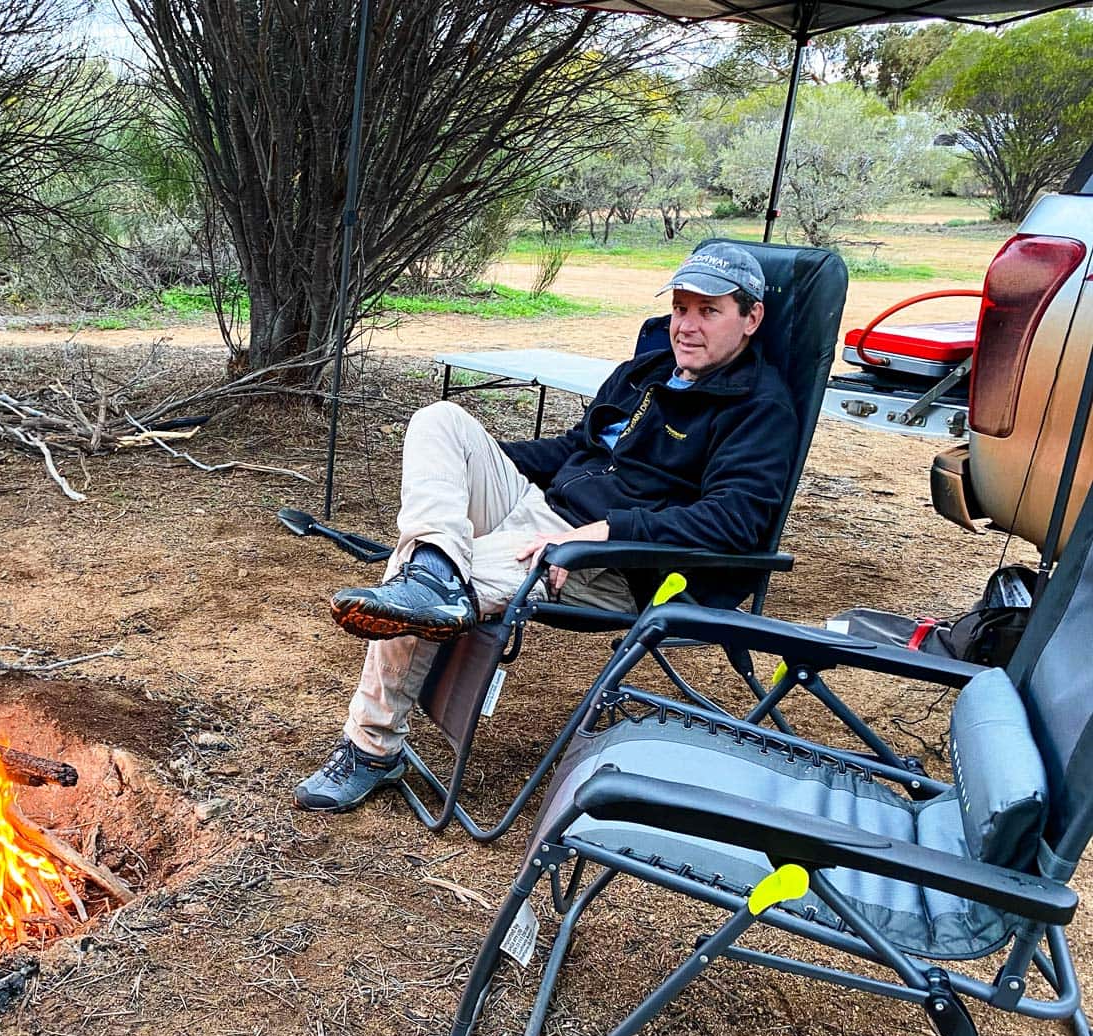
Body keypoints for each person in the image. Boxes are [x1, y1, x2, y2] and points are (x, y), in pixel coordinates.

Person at [294, 242, 797, 812]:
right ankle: (435, 571)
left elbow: (735, 520)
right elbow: (577, 449)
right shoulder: (650, 370)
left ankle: (372, 747)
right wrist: (476, 462)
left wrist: (597, 534)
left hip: (613, 562)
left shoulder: (760, 408)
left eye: (710, 311)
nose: (687, 325)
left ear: (751, 318)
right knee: (440, 421)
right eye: (681, 308)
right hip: (542, 512)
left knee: (415, 579)